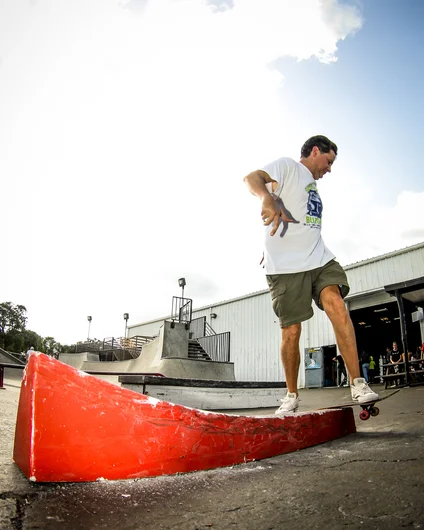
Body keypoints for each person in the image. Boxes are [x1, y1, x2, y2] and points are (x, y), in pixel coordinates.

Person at [243, 135, 379, 413]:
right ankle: (291, 395)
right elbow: (251, 178)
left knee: (336, 303)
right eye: (328, 161)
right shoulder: (288, 167)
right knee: (291, 331)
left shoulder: (312, 186)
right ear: (315, 151)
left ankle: (357, 382)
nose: (329, 169)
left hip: (319, 258)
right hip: (285, 267)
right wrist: (267, 197)